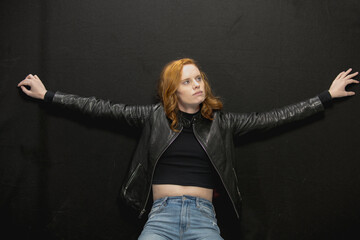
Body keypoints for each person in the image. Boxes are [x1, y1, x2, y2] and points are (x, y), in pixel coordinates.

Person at [17, 58, 358, 239]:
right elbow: (99, 107)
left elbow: (275, 118)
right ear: (173, 91)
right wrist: (48, 95)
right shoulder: (152, 118)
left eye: (198, 79)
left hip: (203, 219)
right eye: (187, 81)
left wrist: (325, 96)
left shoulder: (222, 123)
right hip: (160, 218)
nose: (197, 85)